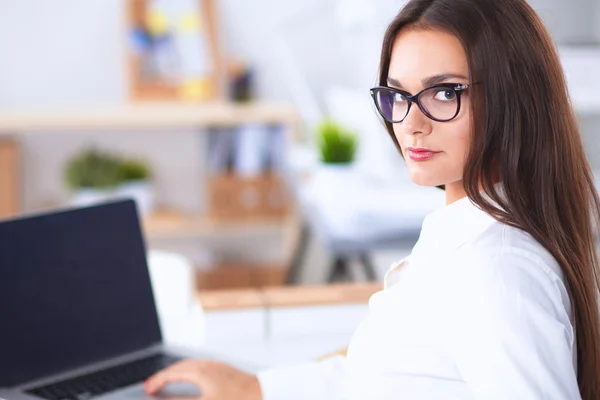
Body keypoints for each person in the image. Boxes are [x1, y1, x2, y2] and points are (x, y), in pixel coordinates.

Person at [144, 0, 600, 398]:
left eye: (444, 92)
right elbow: (388, 376)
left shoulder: (497, 269)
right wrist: (255, 389)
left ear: (512, 97)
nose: (411, 123)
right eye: (398, 94)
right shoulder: (464, 230)